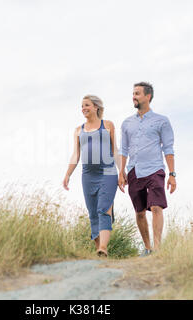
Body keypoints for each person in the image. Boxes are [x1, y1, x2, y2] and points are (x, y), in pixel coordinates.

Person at [118, 82, 176, 257]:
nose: (134, 97)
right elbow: (123, 150)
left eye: (137, 93)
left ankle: (157, 248)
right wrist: (121, 172)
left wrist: (172, 174)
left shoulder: (161, 121)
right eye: (133, 94)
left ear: (147, 96)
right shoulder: (127, 123)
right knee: (140, 212)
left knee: (157, 207)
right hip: (134, 170)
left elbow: (168, 148)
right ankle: (148, 247)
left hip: (155, 169)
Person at [63, 95, 120, 257]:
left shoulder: (107, 125)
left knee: (104, 209)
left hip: (108, 172)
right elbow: (76, 155)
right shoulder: (78, 130)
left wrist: (122, 172)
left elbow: (115, 151)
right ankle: (99, 251)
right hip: (88, 175)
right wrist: (68, 174)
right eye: (82, 106)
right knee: (93, 212)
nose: (83, 108)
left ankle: (103, 246)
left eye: (87, 105)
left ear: (96, 107)